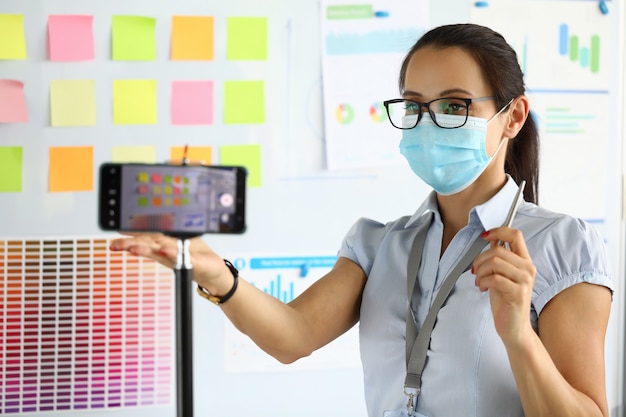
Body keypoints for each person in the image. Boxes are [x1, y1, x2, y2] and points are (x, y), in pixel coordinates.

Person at [110, 23, 614, 417]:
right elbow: (293, 335)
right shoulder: (379, 244)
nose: (430, 122)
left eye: (455, 105)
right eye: (415, 106)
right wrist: (213, 271)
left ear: (514, 116)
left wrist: (520, 338)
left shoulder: (562, 246)